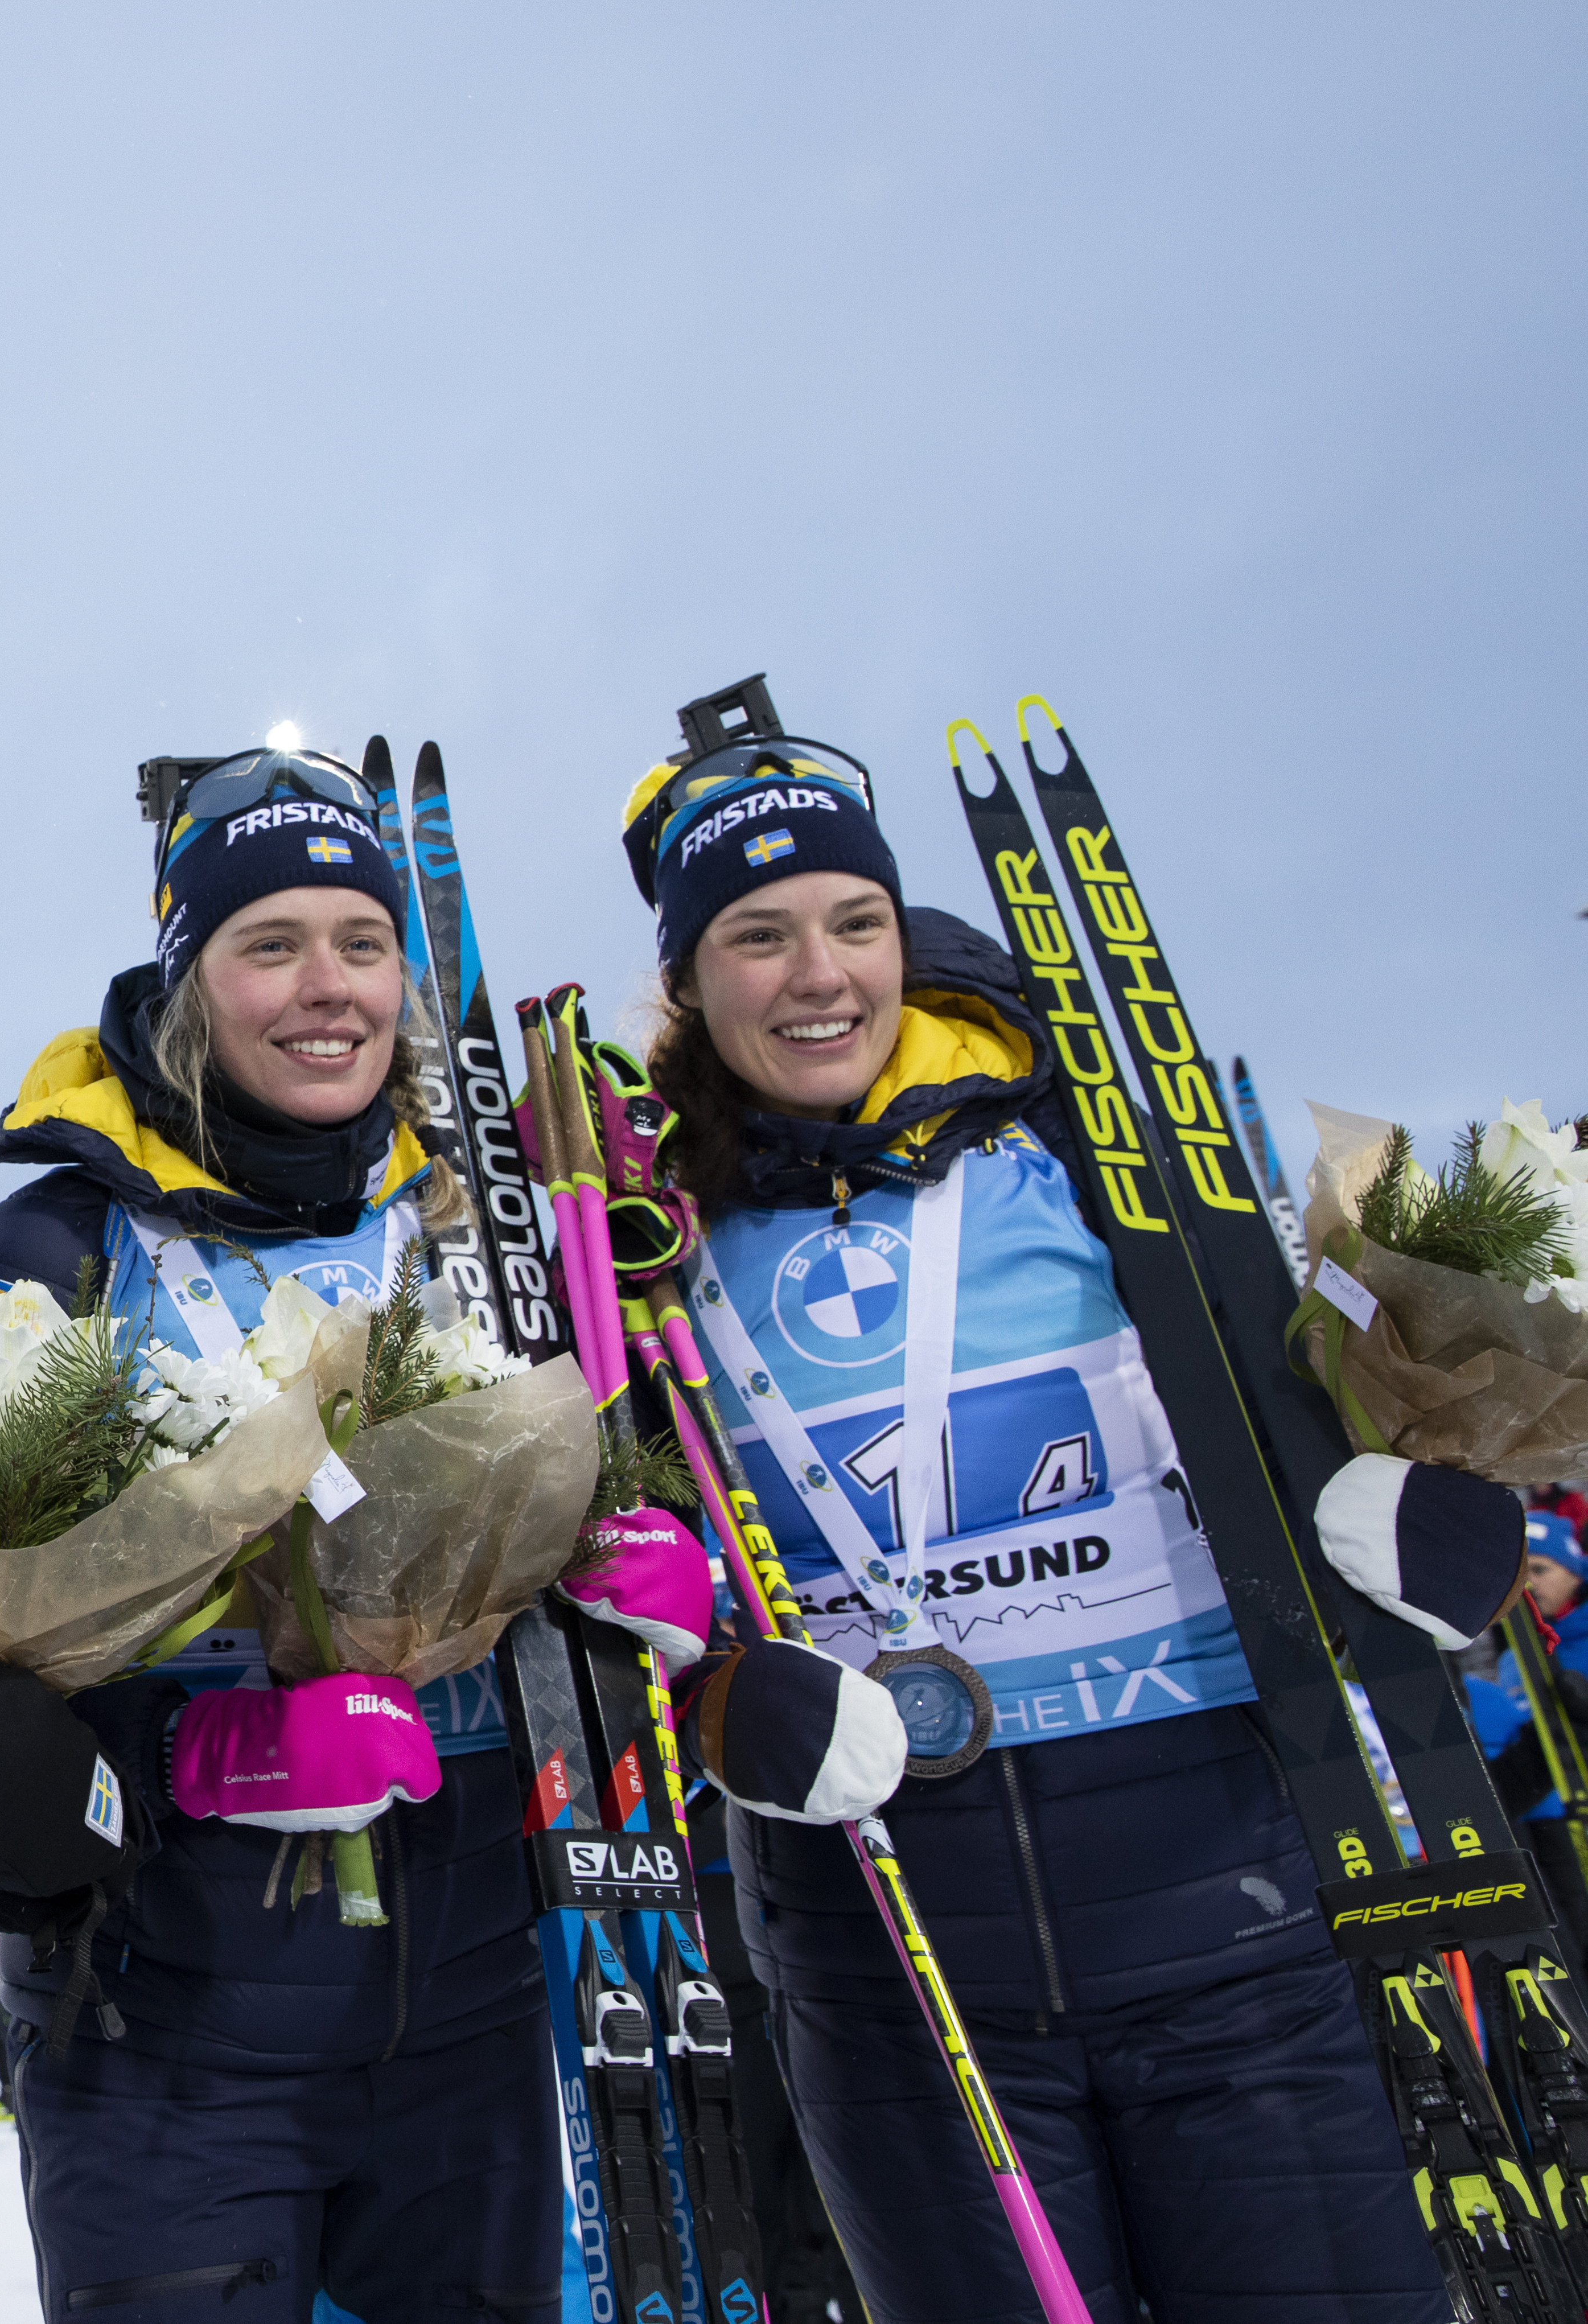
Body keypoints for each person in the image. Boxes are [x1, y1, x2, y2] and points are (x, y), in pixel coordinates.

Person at [620, 710, 1524, 2319]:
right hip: (888, 1970)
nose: (816, 973)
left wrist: (1434, 1513)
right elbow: (620, 1563)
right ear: (691, 982)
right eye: (755, 936)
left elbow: (1295, 1397)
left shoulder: (1079, 1147)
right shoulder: (644, 1237)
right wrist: (709, 1694)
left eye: (852, 921)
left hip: (1223, 1921)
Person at [0, 745, 682, 2321]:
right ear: (189, 977)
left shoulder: (478, 1214)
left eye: (360, 942)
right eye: (268, 945)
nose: (324, 989)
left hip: (464, 2000)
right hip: (164, 2028)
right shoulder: (53, 1248)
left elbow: (602, 1469)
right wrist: (197, 1761)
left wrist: (627, 1549)